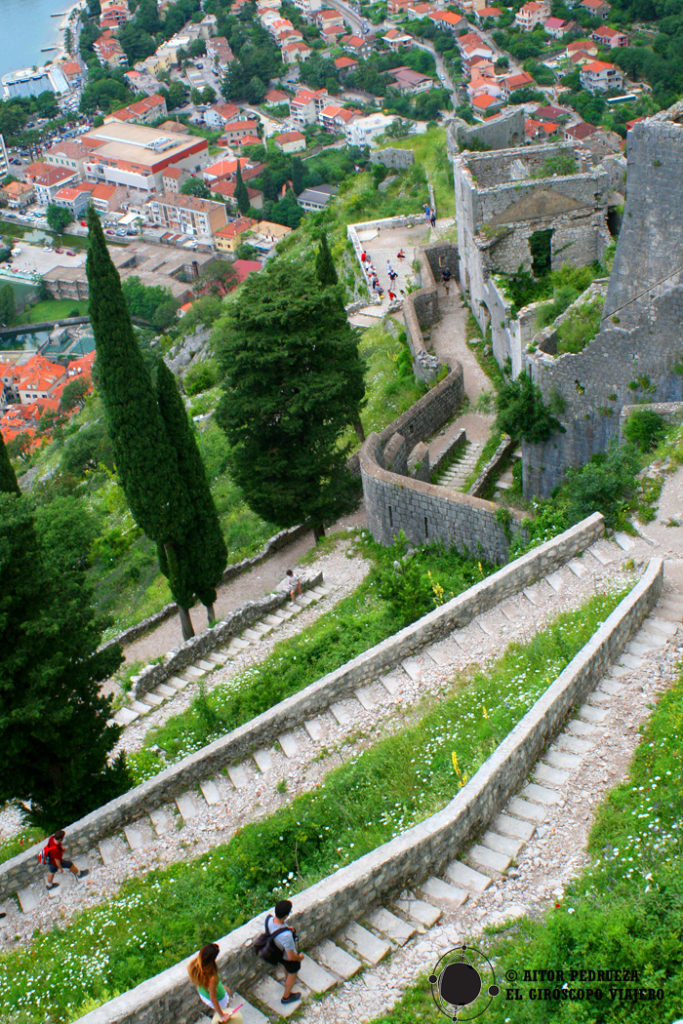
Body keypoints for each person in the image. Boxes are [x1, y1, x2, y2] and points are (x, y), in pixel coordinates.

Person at [188, 943, 243, 1024]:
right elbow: (213, 998)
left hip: (203, 993)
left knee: (225, 995)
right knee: (224, 1010)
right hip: (217, 998)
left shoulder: (194, 965)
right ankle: (219, 1015)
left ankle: (217, 1012)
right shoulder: (212, 978)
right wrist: (222, 1015)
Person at [266, 900, 304, 1005]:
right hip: (287, 957)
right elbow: (291, 957)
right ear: (286, 915)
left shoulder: (269, 920)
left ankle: (286, 978)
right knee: (293, 972)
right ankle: (286, 996)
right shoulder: (286, 936)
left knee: (285, 967)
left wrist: (286, 928)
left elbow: (276, 930)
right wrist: (299, 957)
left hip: (277, 953)